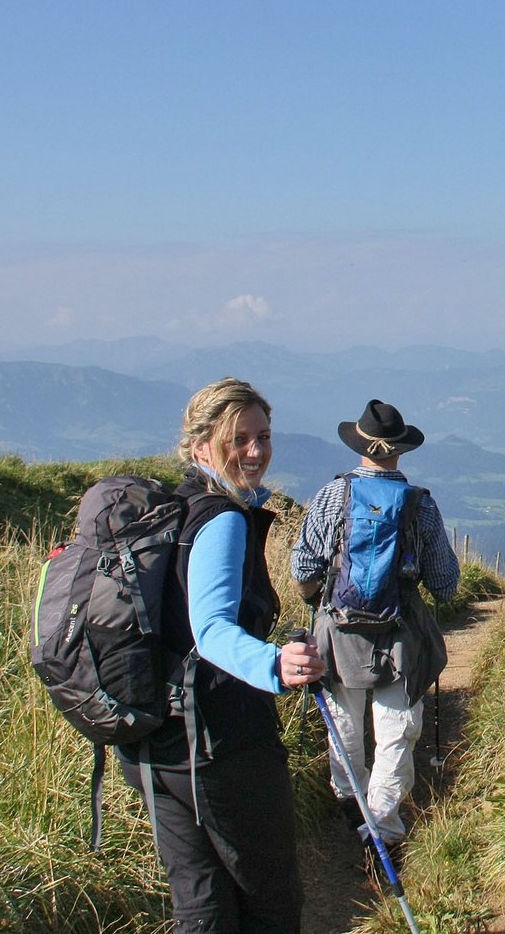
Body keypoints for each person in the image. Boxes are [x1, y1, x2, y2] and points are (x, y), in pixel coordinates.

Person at [117, 377, 326, 934]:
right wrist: (274, 664)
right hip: (220, 742)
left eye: (263, 436)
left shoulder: (173, 510)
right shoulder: (222, 518)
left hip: (154, 745)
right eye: (239, 439)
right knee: (270, 900)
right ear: (202, 444)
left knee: (202, 902)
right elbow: (209, 630)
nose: (255, 452)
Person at [291, 399, 459, 851]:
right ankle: (382, 826)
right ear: (400, 450)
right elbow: (444, 582)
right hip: (399, 631)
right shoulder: (421, 504)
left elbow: (303, 566)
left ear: (360, 444)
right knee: (397, 727)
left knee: (344, 718)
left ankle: (351, 800)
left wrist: (317, 599)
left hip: (338, 625)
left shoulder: (332, 495)